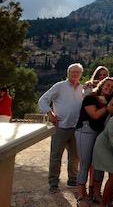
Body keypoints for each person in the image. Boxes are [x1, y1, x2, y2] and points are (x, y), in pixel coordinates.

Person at [38, 63, 84, 194]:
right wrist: (50, 114)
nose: (75, 74)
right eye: (72, 72)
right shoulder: (59, 86)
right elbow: (42, 100)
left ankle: (72, 179)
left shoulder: (82, 89)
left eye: (77, 72)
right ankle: (53, 183)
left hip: (76, 128)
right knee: (56, 156)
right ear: (68, 73)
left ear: (81, 74)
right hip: (61, 128)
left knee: (75, 157)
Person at [75, 77, 113, 206]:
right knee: (85, 164)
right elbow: (95, 115)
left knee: (99, 164)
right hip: (85, 131)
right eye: (107, 85)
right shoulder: (90, 98)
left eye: (112, 87)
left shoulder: (110, 101)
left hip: (101, 134)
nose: (109, 88)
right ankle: (81, 196)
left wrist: (111, 105)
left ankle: (96, 194)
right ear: (102, 84)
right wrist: (108, 106)